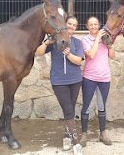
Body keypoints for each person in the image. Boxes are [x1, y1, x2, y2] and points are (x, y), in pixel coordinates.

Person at [35, 15, 84, 153]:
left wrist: (68, 55)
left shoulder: (77, 43)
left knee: (70, 110)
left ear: (76, 28)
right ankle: (76, 143)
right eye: (69, 24)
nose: (71, 27)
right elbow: (38, 53)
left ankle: (66, 137)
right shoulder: (56, 41)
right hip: (59, 81)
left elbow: (78, 61)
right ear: (64, 24)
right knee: (68, 110)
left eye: (74, 25)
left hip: (75, 80)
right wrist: (46, 43)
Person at [80, 16, 115, 146]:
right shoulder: (84, 40)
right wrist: (97, 40)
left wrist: (110, 45)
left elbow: (112, 56)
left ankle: (103, 133)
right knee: (87, 106)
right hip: (89, 78)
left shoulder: (105, 39)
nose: (94, 26)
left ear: (99, 25)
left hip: (104, 78)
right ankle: (84, 134)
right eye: (91, 24)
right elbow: (91, 55)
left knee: (101, 106)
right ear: (87, 26)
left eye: (96, 24)